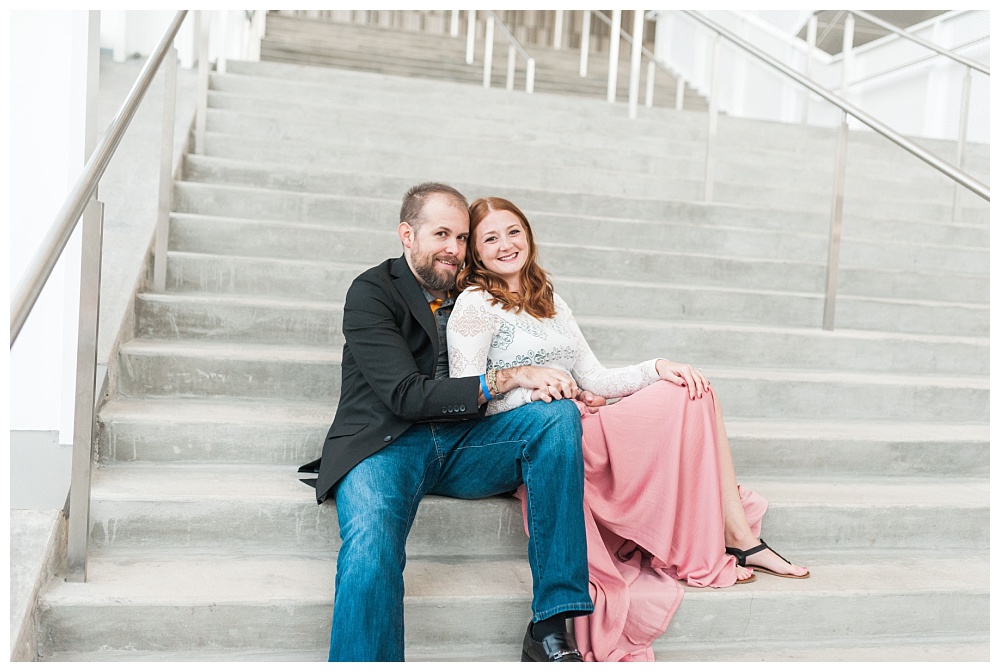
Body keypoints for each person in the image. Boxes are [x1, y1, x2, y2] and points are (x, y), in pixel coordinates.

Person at [447, 196, 810, 662]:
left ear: (528, 235)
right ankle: (734, 539)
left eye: (513, 231)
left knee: (692, 389)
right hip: (542, 435)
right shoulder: (476, 305)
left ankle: (739, 539)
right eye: (490, 238)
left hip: (584, 419)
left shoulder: (551, 301)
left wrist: (658, 366)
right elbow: (467, 394)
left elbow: (596, 378)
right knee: (667, 398)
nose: (505, 244)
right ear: (475, 252)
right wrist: (532, 392)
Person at [297, 183, 595, 662]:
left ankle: (551, 622)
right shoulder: (372, 291)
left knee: (557, 419)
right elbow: (403, 394)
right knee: (371, 547)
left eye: (461, 238)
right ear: (407, 234)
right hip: (384, 445)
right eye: (441, 235)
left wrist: (562, 384)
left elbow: (536, 343)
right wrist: (511, 377)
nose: (453, 250)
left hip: (463, 442)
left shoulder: (476, 290)